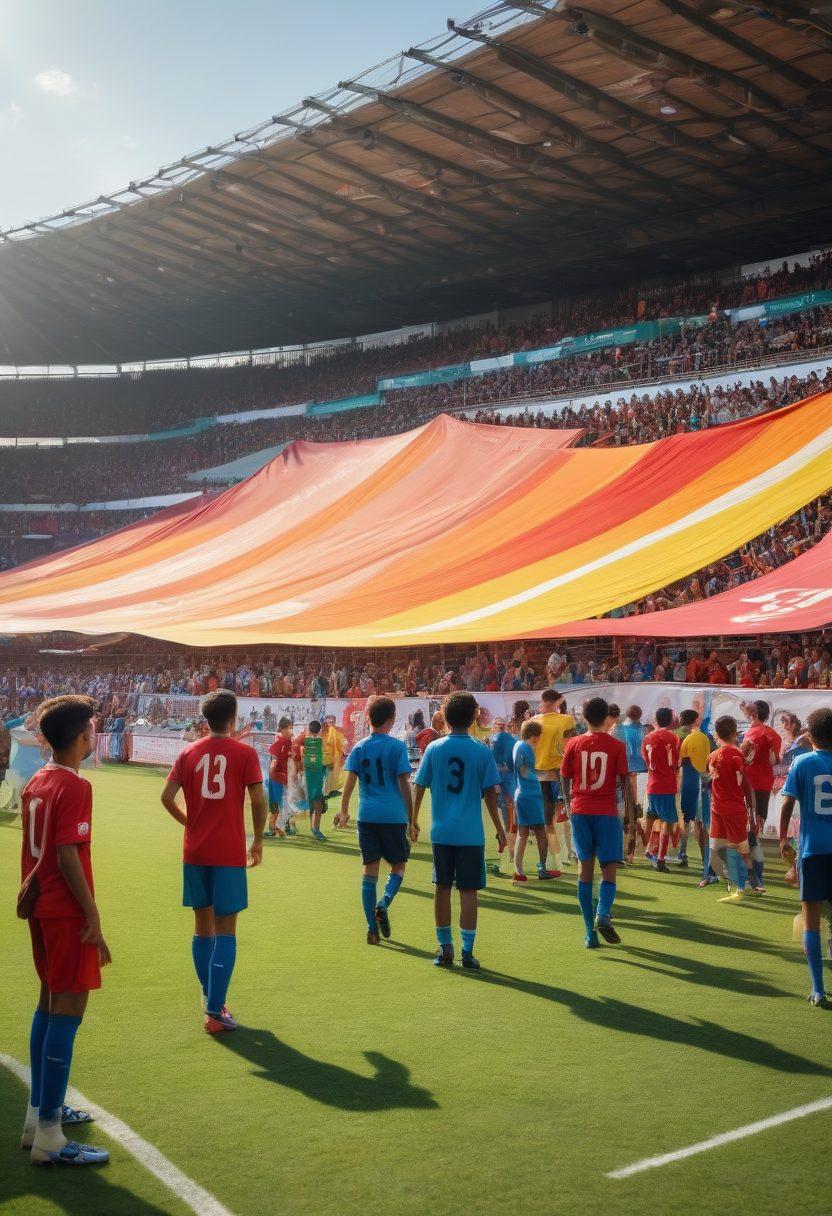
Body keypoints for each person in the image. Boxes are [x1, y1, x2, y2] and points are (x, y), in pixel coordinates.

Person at [19, 695, 111, 1166]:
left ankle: (38, 1114)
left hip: (39, 908)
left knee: (48, 1001)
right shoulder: (76, 785)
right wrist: (93, 918)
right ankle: (51, 1136)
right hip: (65, 911)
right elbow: (67, 854)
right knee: (68, 1010)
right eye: (91, 731)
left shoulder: (37, 779)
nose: (93, 738)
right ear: (81, 738)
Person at [160, 690, 267, 1034]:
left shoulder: (189, 752)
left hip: (195, 851)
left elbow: (166, 797)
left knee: (202, 928)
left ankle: (211, 1001)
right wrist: (259, 839)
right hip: (227, 853)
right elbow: (258, 796)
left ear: (206, 719)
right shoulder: (244, 753)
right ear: (234, 716)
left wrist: (188, 822)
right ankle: (215, 1012)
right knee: (226, 931)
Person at [412, 692, 504, 970]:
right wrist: (500, 829)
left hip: (441, 831)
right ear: (474, 716)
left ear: (446, 718)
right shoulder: (480, 751)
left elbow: (419, 785)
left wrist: (412, 819)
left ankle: (444, 948)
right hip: (470, 834)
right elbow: (490, 794)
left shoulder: (434, 749)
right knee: (468, 891)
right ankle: (467, 951)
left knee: (441, 887)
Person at [336, 696, 414, 945]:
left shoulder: (359, 747)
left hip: (367, 816)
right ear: (391, 720)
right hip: (393, 817)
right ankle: (384, 903)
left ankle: (372, 929)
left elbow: (350, 781)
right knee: (398, 867)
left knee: (369, 872)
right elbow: (404, 784)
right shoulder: (397, 747)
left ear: (368, 718)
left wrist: (344, 809)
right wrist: (411, 819)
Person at [561, 697, 631, 948]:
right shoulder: (616, 746)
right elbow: (625, 782)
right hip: (606, 812)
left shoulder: (574, 743)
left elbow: (564, 777)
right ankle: (603, 914)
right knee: (609, 868)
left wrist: (570, 805)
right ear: (608, 718)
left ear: (584, 718)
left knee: (584, 871)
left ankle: (589, 933)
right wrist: (630, 818)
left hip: (580, 810)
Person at [780, 707, 832, 1007]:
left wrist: (784, 838)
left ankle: (818, 990)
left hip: (813, 850)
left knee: (811, 921)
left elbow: (787, 803)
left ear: (810, 735)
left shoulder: (802, 762)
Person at [707, 715, 757, 905]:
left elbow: (713, 779)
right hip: (732, 809)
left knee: (724, 848)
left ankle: (741, 885)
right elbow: (745, 786)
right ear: (736, 733)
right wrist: (752, 813)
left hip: (719, 809)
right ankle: (743, 882)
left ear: (716, 734)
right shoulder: (737, 756)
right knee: (738, 848)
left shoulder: (713, 756)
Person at [532, 689, 575, 870]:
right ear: (558, 702)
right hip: (560, 775)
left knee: (547, 820)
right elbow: (571, 746)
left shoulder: (532, 722)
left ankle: (551, 859)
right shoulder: (566, 720)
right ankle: (565, 855)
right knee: (564, 817)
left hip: (537, 775)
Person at [511, 721, 560, 882]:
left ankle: (518, 869)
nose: (538, 741)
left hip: (520, 793)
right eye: (537, 738)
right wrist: (542, 776)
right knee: (540, 831)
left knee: (523, 832)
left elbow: (522, 770)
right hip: (531, 794)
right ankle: (542, 869)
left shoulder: (517, 745)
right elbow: (526, 771)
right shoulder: (525, 747)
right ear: (533, 737)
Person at [741, 699, 782, 892]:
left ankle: (751, 877)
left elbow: (743, 758)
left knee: (747, 830)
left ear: (753, 713)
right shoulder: (773, 734)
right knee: (755, 830)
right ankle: (756, 877)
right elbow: (775, 759)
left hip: (749, 786)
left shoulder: (752, 732)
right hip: (764, 785)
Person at [641, 707, 681, 873]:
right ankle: (661, 859)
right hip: (666, 785)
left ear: (656, 720)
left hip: (652, 784)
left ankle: (649, 850)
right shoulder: (673, 738)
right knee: (666, 823)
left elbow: (645, 758)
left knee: (653, 818)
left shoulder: (648, 737)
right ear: (671, 720)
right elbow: (676, 763)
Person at [675, 709, 713, 876]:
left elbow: (678, 760)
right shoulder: (705, 737)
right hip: (701, 780)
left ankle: (681, 853)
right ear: (696, 720)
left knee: (684, 818)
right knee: (700, 820)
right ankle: (706, 860)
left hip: (683, 779)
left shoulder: (675, 735)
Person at [613, 705, 649, 862]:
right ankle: (633, 852)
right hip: (642, 773)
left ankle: (629, 852)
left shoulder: (619, 729)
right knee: (637, 813)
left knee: (630, 812)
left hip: (626, 773)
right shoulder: (644, 730)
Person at [490, 716, 517, 874]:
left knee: (505, 822)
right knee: (509, 822)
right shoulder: (511, 740)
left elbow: (493, 761)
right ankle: (510, 857)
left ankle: (508, 859)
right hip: (509, 784)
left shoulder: (497, 739)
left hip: (501, 784)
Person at [267, 716, 293, 837]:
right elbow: (274, 759)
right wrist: (272, 767)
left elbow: (288, 754)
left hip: (279, 777)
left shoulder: (287, 741)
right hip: (276, 778)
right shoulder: (278, 742)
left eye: (291, 728)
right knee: (277, 803)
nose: (291, 731)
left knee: (280, 802)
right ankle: (274, 827)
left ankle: (282, 826)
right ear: (282, 729)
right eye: (289, 728)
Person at [302, 719, 327, 840]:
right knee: (317, 801)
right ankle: (316, 829)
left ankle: (305, 827)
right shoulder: (322, 741)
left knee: (307, 800)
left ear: (308, 728)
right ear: (320, 730)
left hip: (307, 772)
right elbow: (327, 757)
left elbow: (300, 753)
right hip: (318, 773)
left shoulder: (304, 740)